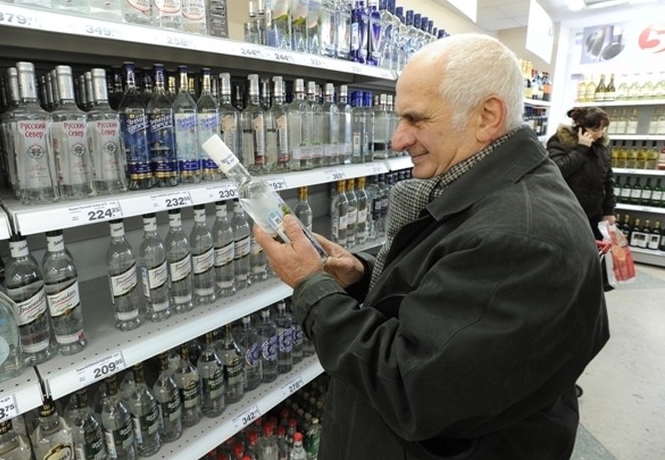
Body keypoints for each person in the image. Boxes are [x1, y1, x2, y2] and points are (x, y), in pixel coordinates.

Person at [254, 33, 609, 459]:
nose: (398, 140)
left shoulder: (519, 241)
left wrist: (311, 286)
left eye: (416, 119)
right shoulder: (492, 189)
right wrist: (363, 276)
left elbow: (410, 388)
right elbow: (445, 285)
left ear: (487, 116)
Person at [546, 107, 615, 253]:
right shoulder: (561, 141)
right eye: (595, 129)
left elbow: (607, 181)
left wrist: (609, 211)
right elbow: (558, 171)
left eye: (603, 129)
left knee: (590, 254)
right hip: (565, 214)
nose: (599, 134)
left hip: (593, 216)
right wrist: (581, 148)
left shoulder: (602, 146)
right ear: (579, 126)